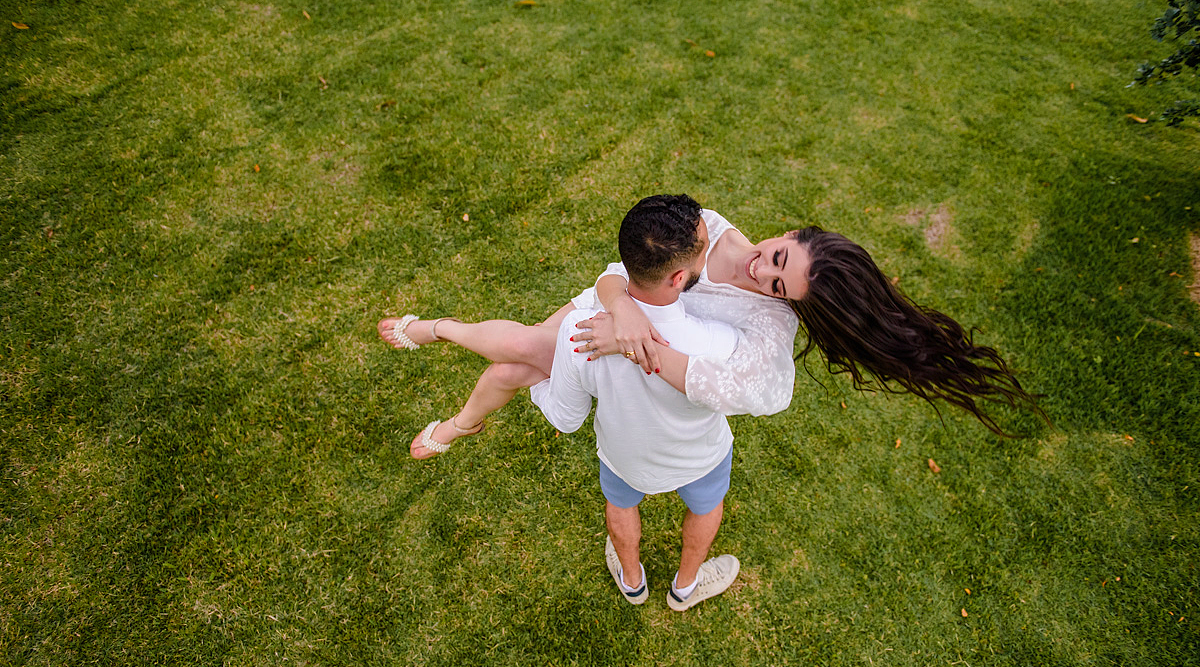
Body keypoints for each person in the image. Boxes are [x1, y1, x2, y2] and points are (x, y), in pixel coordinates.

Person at [378, 198, 1041, 459]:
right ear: (788, 233)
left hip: (628, 343)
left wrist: (637, 348)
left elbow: (758, 390)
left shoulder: (770, 322)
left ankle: (447, 365)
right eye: (778, 256)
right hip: (619, 305)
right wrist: (625, 310)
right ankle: (441, 349)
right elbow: (621, 268)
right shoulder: (711, 229)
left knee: (519, 359)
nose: (762, 270)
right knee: (522, 351)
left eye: (779, 282)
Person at [529, 195, 743, 610]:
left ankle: (632, 581)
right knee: (707, 508)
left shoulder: (580, 330)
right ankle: (685, 586)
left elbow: (567, 418)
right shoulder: (721, 339)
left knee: (620, 505)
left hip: (623, 456)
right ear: (679, 278)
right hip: (701, 456)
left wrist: (541, 380)